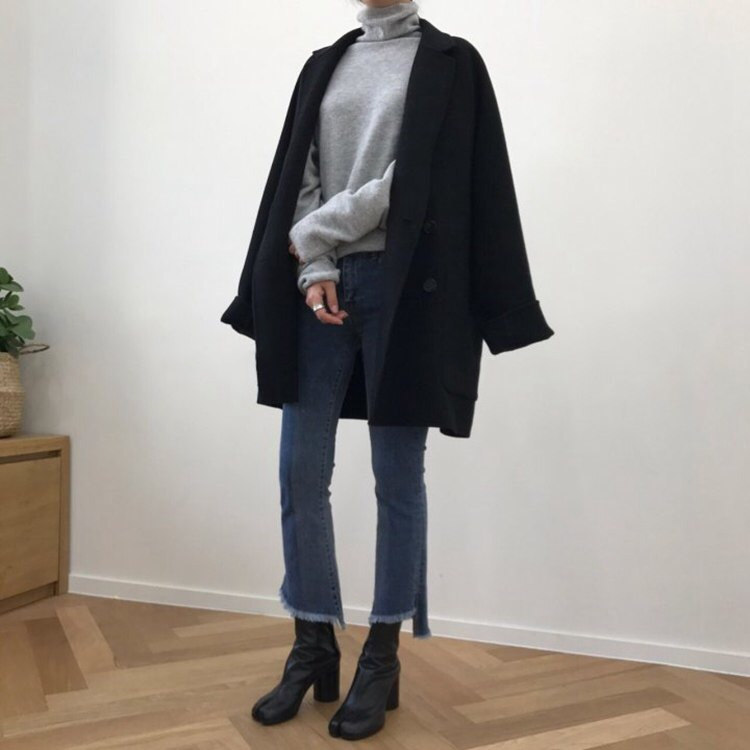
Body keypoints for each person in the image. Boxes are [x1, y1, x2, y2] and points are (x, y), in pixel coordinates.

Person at [222, 0, 555, 740]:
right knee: (299, 473)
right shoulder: (324, 64)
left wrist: (319, 228)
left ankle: (381, 655)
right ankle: (312, 642)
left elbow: (425, 178)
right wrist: (313, 264)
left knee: (397, 478)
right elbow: (299, 174)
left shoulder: (452, 64)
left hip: (408, 290)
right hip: (321, 289)